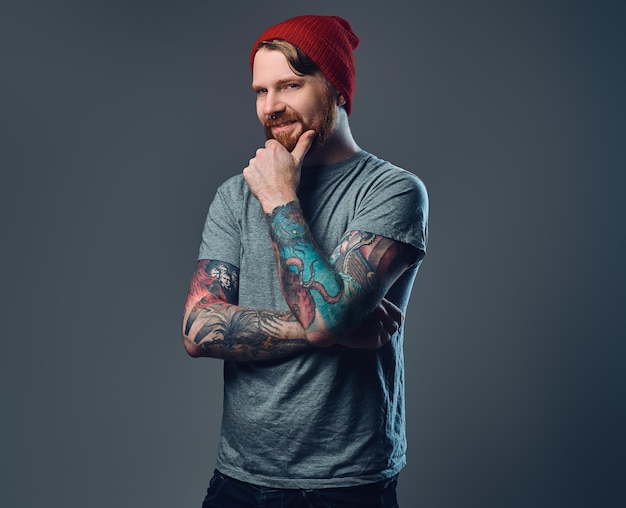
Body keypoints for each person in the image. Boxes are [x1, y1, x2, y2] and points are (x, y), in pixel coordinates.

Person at [182, 14, 429, 508]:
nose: (271, 107)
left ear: (336, 87)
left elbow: (324, 319)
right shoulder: (234, 194)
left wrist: (279, 199)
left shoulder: (392, 191)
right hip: (238, 479)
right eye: (260, 91)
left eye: (290, 85)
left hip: (346, 486)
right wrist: (329, 326)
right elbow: (199, 328)